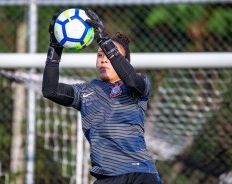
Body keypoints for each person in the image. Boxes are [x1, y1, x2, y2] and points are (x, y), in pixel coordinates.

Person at [42, 9, 163, 184]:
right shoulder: (86, 91)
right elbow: (50, 90)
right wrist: (55, 47)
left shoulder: (138, 85)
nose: (104, 59)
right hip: (106, 178)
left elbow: (132, 81)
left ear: (126, 63)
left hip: (140, 174)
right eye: (100, 55)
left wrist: (105, 41)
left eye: (109, 55)